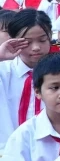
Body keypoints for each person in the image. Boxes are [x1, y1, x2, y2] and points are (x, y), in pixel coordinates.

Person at [0, 10, 55, 147]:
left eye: (42, 40)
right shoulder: (3, 72)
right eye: (27, 42)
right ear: (13, 40)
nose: (36, 48)